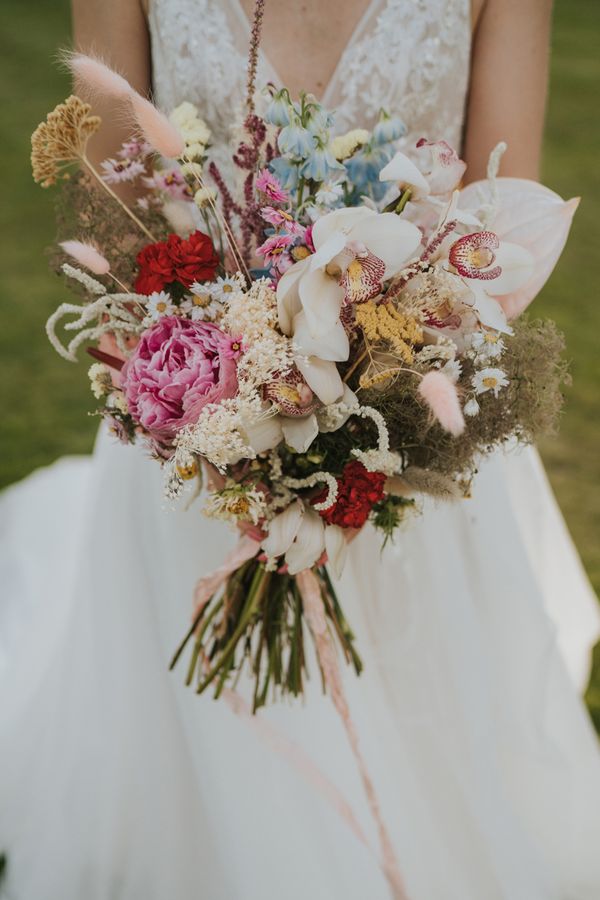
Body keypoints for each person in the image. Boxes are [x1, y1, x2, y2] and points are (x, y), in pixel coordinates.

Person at [1, 1, 599, 897]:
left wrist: (367, 406)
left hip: (412, 439)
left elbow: (499, 233)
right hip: (192, 438)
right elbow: (113, 214)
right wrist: (226, 407)